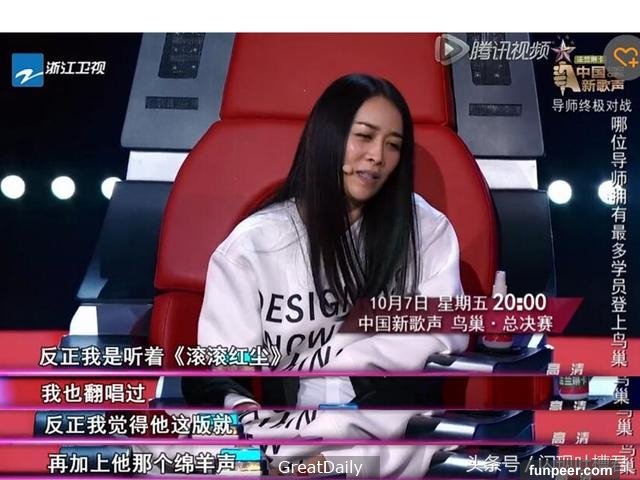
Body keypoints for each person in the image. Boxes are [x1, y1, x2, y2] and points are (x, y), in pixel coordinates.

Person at [183, 73, 469, 477]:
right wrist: (248, 424)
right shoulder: (253, 245)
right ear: (328, 138)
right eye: (364, 137)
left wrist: (347, 359)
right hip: (280, 434)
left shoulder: (426, 230)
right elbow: (221, 368)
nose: (377, 156)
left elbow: (441, 334)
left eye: (393, 145)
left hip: (385, 433)